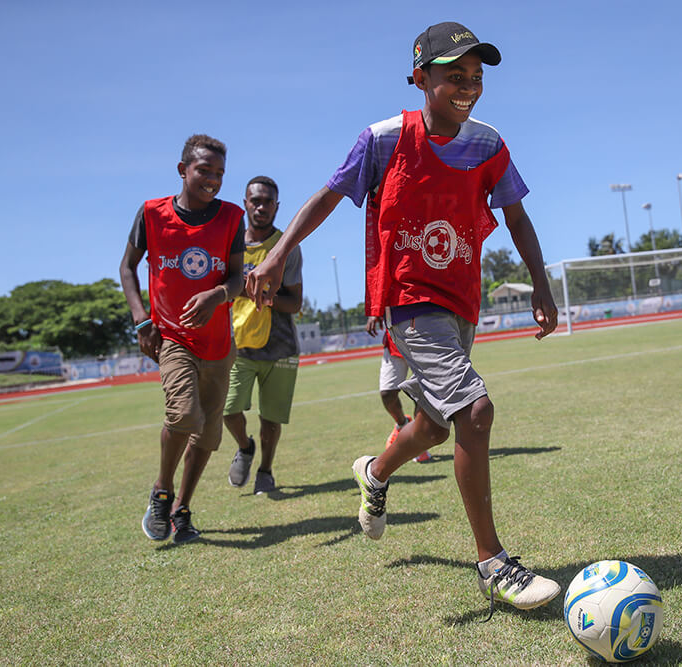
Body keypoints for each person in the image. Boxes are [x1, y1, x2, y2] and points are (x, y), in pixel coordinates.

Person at [245, 22, 561, 614]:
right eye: (452, 76)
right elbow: (327, 196)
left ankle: (376, 471)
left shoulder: (489, 143)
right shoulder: (383, 139)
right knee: (475, 409)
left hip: (461, 298)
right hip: (408, 300)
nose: (467, 86)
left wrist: (541, 283)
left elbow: (517, 217)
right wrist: (279, 252)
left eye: (475, 76)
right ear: (420, 77)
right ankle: (493, 563)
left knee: (437, 427)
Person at [119, 134, 244, 544]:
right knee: (185, 415)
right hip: (173, 338)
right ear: (183, 170)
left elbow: (237, 277)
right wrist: (142, 319)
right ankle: (161, 491)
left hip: (219, 344)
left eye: (219, 173)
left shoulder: (231, 217)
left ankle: (182, 509)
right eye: (204, 170)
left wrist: (217, 295)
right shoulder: (152, 214)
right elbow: (127, 268)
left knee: (209, 435)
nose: (212, 180)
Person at [223, 176, 303, 495]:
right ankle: (245, 447)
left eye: (267, 201)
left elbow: (295, 303)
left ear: (276, 207)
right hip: (238, 346)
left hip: (280, 347)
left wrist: (261, 296)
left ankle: (265, 471)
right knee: (228, 410)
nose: (261, 207)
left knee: (271, 418)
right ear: (245, 203)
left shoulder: (286, 248)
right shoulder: (231, 247)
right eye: (255, 200)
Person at [366, 316, 431, 463]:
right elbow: (380, 291)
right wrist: (375, 312)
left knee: (420, 393)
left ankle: (418, 444)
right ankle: (402, 424)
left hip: (423, 334)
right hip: (395, 337)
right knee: (387, 393)